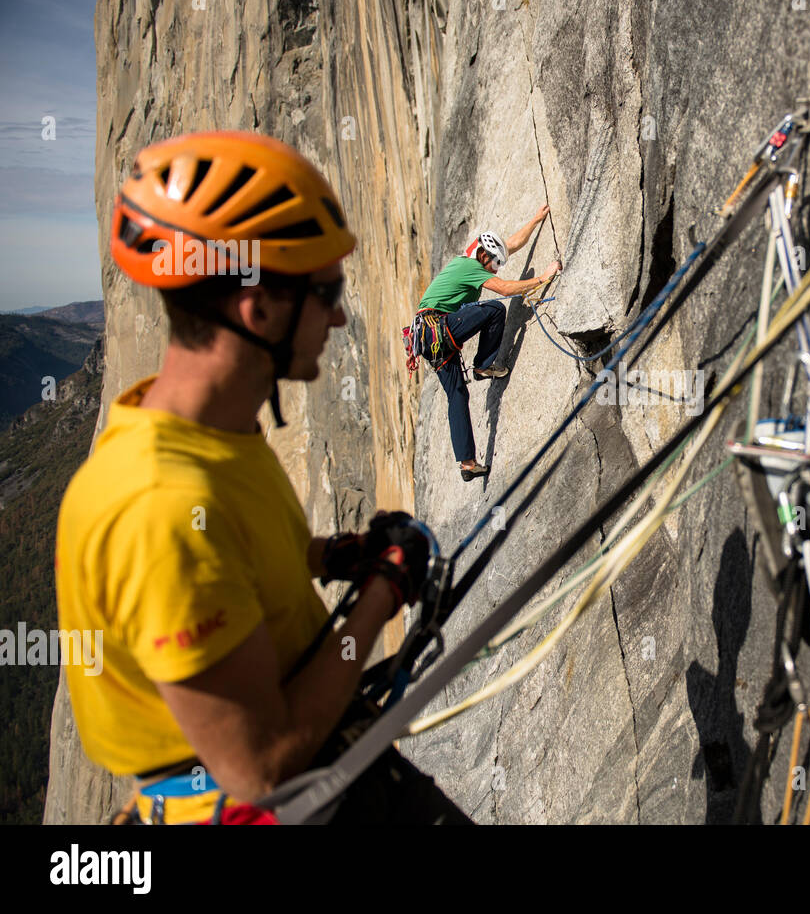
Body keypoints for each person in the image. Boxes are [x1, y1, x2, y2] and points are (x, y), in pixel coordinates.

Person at [55, 130, 469, 824]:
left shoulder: (203, 431)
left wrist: (332, 556)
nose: (340, 315)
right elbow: (262, 761)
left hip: (333, 770)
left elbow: (235, 553)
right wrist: (382, 592)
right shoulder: (159, 508)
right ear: (259, 306)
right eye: (327, 291)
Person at [416, 207, 561, 480]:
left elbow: (512, 245)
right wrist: (544, 277)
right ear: (483, 255)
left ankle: (468, 463)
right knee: (495, 310)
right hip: (436, 328)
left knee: (457, 395)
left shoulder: (473, 260)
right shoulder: (469, 267)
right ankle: (483, 366)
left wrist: (535, 220)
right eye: (494, 264)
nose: (495, 269)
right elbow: (505, 289)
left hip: (429, 339)